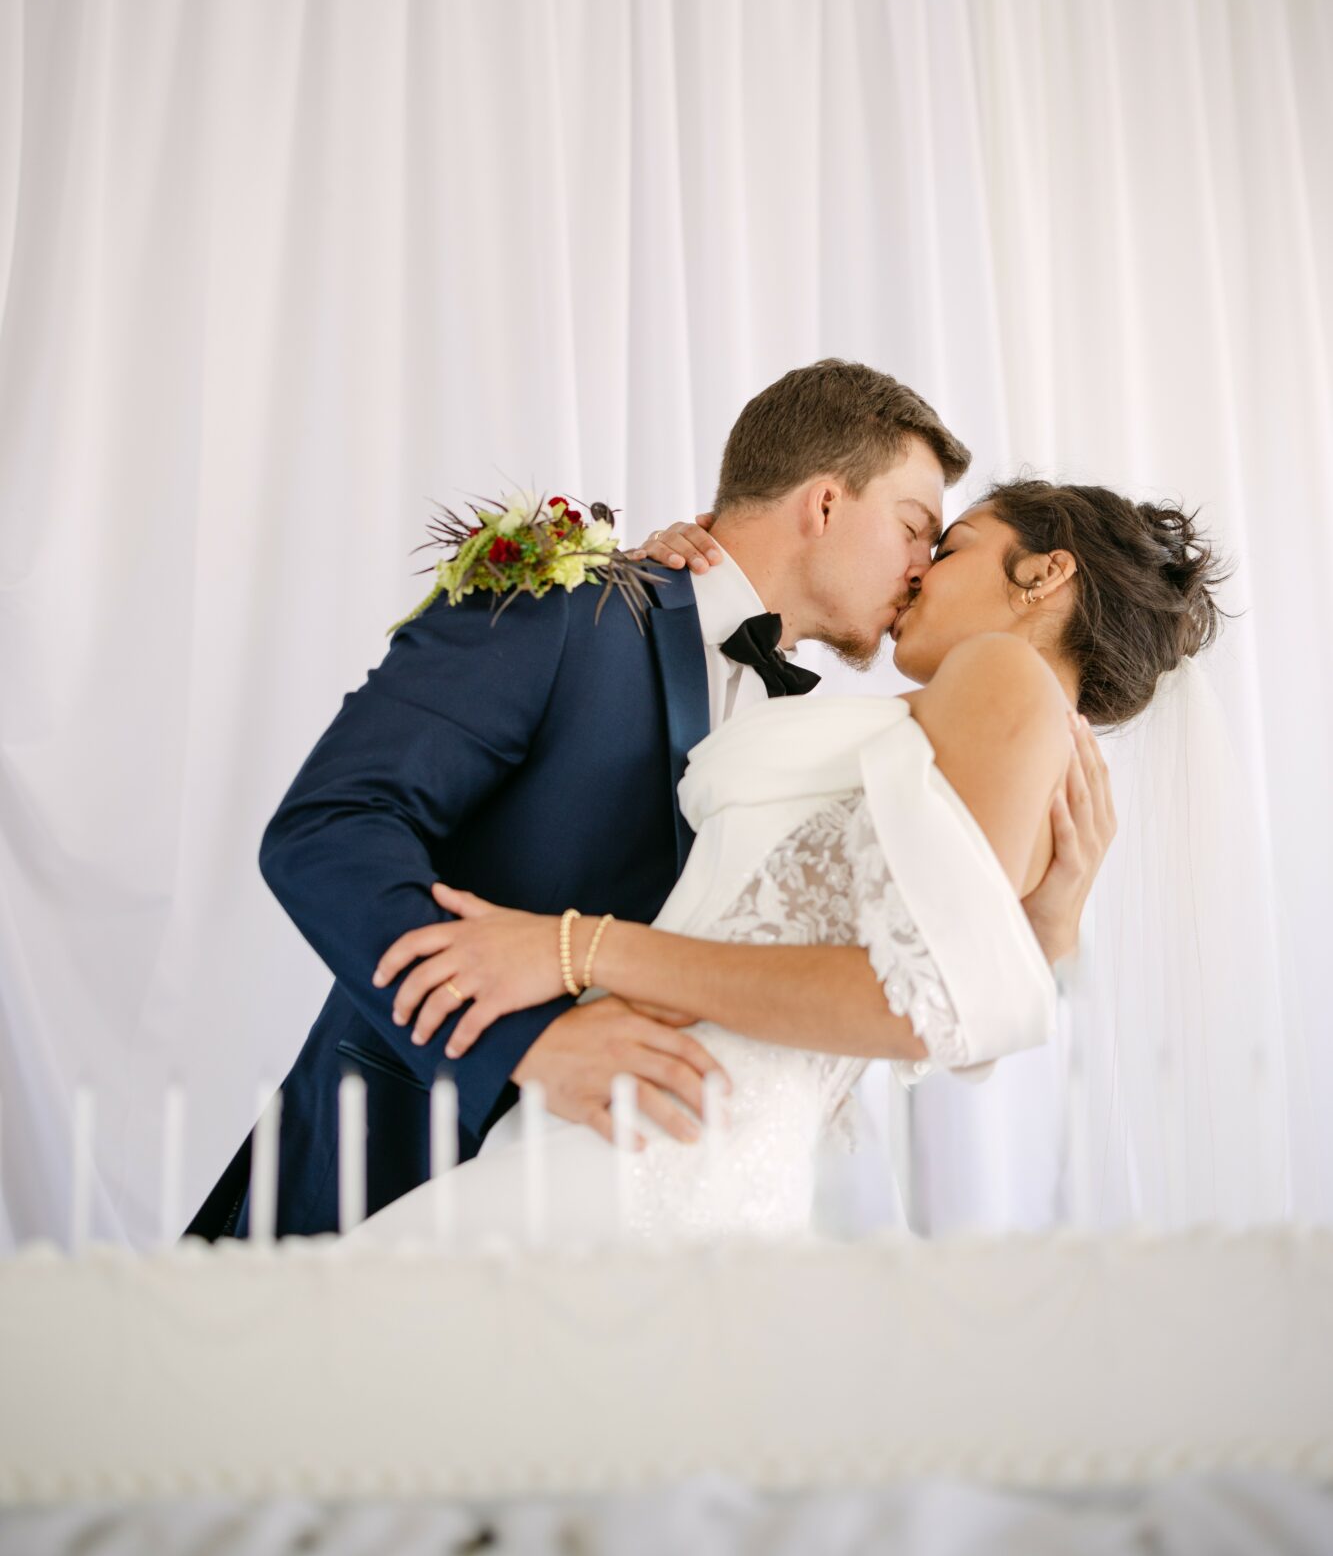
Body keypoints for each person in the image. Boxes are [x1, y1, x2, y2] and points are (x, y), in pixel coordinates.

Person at [187, 359, 1110, 1240]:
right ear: (824, 503)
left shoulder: (819, 728)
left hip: (667, 1205)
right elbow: (327, 829)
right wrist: (525, 1045)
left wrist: (1046, 926)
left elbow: (900, 988)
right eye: (915, 526)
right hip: (402, 1158)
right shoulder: (567, 609)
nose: (921, 566)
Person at [351, 480, 1217, 1246]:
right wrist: (692, 594)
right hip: (679, 1144)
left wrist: (577, 948)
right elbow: (962, 1003)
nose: (917, 571)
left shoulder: (1003, 674)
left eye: (949, 547)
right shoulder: (997, 737)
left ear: (1043, 574)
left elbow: (920, 1009)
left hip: (661, 1153)